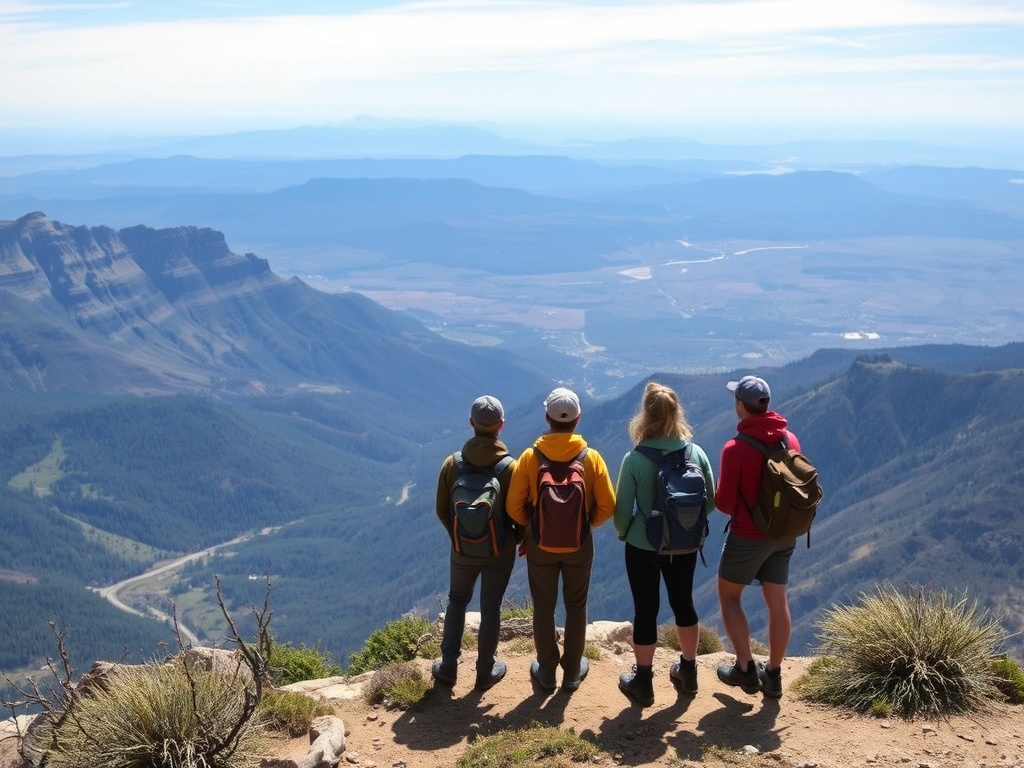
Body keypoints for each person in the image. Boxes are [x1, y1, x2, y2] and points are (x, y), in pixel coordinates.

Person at [506, 387, 616, 693]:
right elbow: (608, 504)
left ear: (547, 417)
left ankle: (547, 670)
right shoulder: (591, 458)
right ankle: (571, 673)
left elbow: (513, 506)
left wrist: (535, 526)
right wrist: (583, 524)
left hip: (540, 544)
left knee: (543, 606)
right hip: (579, 544)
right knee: (576, 605)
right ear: (577, 419)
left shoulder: (530, 457)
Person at [613, 382, 716, 706]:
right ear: (676, 413)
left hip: (644, 545)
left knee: (646, 609)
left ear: (646, 415)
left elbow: (620, 512)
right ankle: (688, 672)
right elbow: (709, 501)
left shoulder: (635, 459)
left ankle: (643, 683)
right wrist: (682, 525)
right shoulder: (694, 452)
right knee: (683, 603)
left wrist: (628, 532)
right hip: (684, 545)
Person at [714, 374, 802, 699]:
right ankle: (774, 675)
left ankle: (745, 668)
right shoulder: (789, 440)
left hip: (748, 536)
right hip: (784, 534)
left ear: (740, 405)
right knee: (778, 602)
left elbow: (724, 505)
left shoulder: (734, 448)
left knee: (728, 596)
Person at [432, 395, 518, 692]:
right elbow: (520, 513)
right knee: (490, 606)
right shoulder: (509, 469)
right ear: (501, 426)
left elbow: (442, 510)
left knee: (457, 599)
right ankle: (484, 671)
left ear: (471, 424)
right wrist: (510, 539)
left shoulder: (452, 464)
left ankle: (447, 668)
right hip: (500, 550)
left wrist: (459, 535)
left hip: (462, 549)